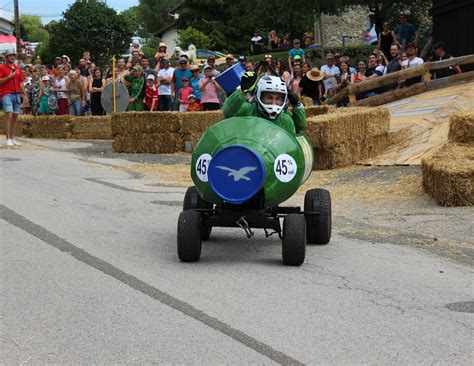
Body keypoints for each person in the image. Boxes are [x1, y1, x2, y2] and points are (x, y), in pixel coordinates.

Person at [222, 75, 307, 135]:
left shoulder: (286, 120)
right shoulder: (248, 110)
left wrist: (298, 106)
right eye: (269, 97)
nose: (274, 102)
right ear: (259, 96)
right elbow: (227, 112)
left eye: (278, 99)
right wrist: (242, 92)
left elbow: (298, 134)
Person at [0, 50, 28, 146]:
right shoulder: (1, 67)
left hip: (17, 94)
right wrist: (9, 76)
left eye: (13, 55)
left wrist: (25, 95)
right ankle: (8, 139)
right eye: (10, 55)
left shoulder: (18, 68)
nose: (12, 57)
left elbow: (21, 83)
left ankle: (13, 138)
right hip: (6, 94)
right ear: (6, 57)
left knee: (15, 116)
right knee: (9, 116)